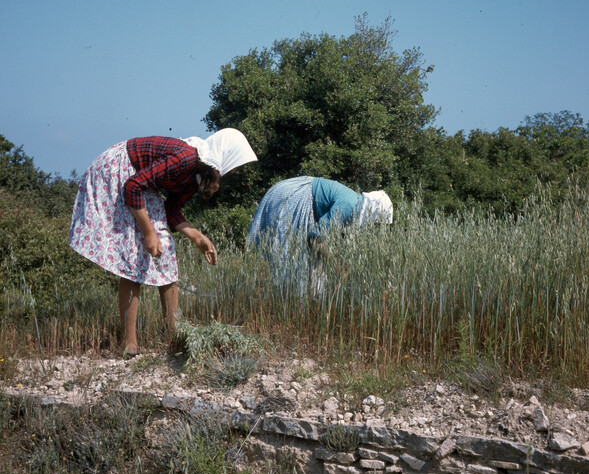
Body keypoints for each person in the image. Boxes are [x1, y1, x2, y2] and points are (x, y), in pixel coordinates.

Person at [69, 128, 257, 356]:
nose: (235, 170)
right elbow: (132, 186)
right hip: (117, 168)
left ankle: (174, 333)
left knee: (165, 249)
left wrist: (198, 237)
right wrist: (149, 233)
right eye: (236, 163)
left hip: (137, 180)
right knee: (134, 254)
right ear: (226, 154)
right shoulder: (186, 158)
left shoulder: (196, 176)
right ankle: (128, 343)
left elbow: (171, 210)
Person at [247, 176, 393, 293]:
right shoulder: (350, 206)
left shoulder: (354, 206)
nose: (374, 227)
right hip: (295, 197)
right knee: (291, 260)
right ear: (373, 213)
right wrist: (338, 266)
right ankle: (285, 298)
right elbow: (315, 239)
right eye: (376, 223)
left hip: (294, 192)